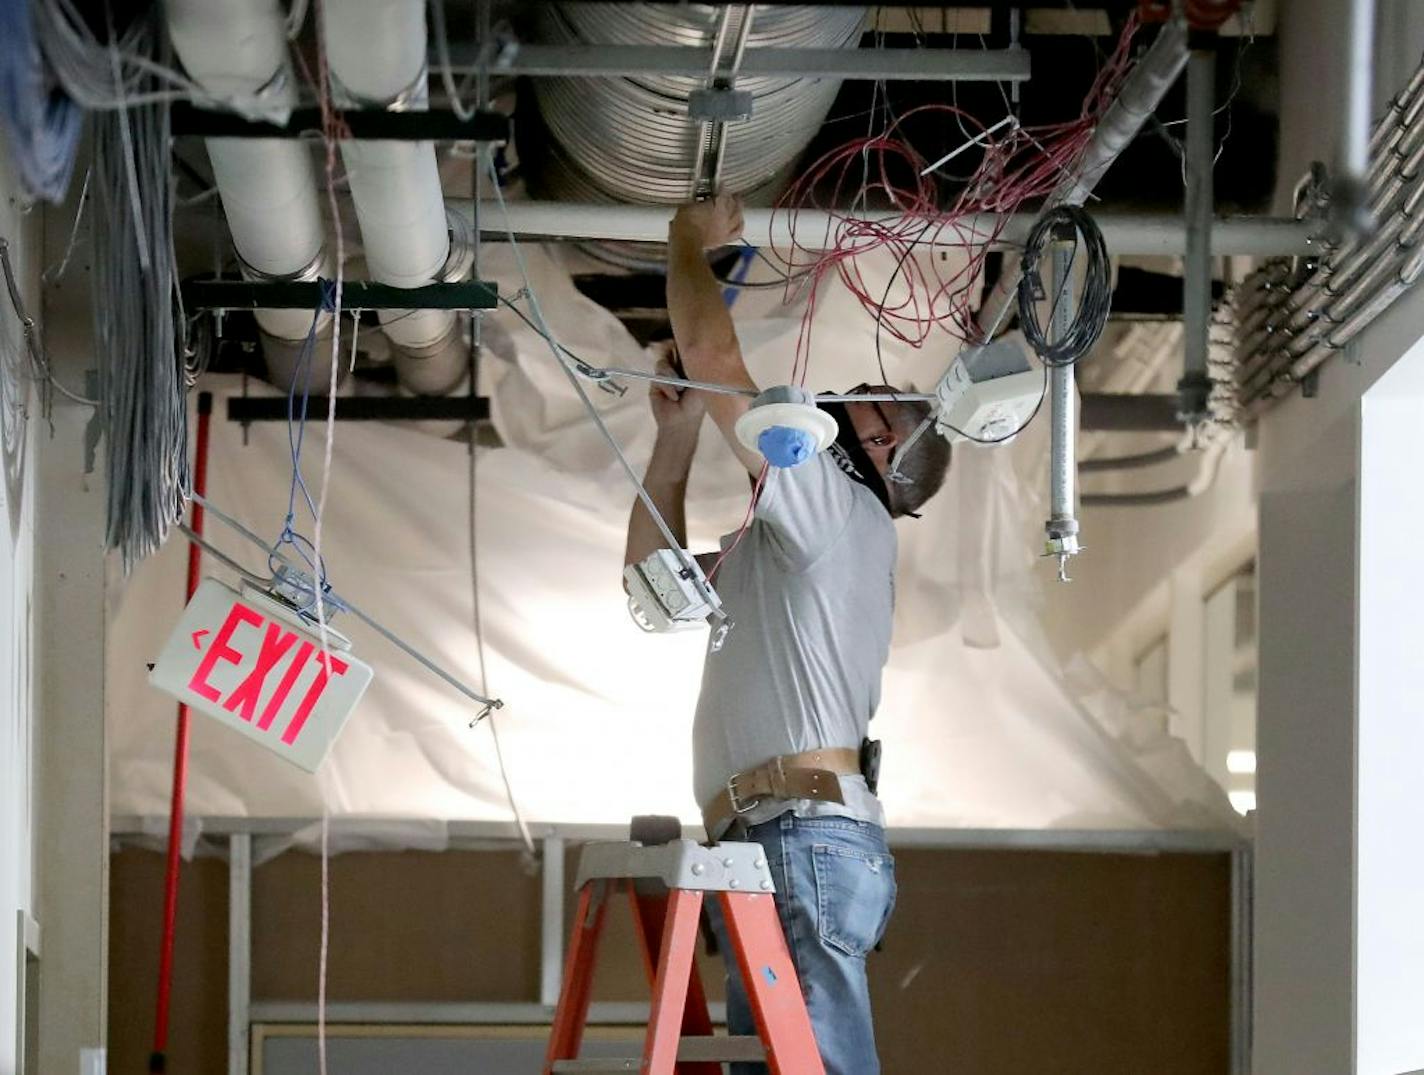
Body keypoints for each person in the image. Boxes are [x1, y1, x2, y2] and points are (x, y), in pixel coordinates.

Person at [623, 195, 951, 1075]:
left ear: (882, 449)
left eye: (859, 409)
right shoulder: (786, 540)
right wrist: (679, 432)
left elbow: (717, 358)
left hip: (798, 834)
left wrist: (688, 241)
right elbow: (655, 584)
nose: (835, 408)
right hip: (772, 840)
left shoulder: (839, 506)